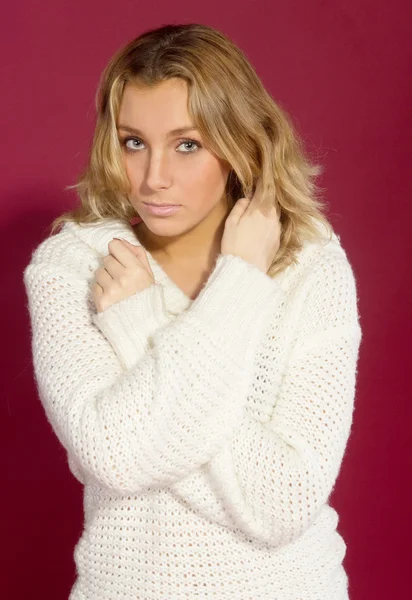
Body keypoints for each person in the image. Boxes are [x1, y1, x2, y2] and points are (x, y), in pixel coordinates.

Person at [23, 22, 362, 600]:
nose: (154, 178)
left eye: (187, 144)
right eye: (134, 142)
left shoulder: (309, 266)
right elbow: (116, 455)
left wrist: (144, 323)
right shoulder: (73, 268)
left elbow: (284, 502)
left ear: (241, 144)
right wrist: (238, 285)